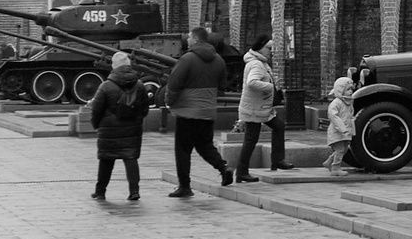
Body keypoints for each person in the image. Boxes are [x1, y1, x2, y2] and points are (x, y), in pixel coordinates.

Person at [162, 29, 232, 197]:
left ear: (195, 39)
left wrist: (169, 101)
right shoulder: (219, 60)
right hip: (208, 111)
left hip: (187, 112)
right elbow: (222, 88)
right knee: (205, 145)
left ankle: (185, 186)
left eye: (189, 36)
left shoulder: (187, 59)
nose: (187, 39)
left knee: (183, 150)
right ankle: (224, 168)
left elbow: (174, 83)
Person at [88, 51, 156, 202]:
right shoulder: (139, 86)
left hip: (108, 130)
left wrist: (96, 125)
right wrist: (137, 120)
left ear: (114, 66)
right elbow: (145, 108)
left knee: (106, 160)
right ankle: (134, 191)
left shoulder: (106, 86)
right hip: (132, 129)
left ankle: (100, 192)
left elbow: (96, 109)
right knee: (131, 158)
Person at [232, 35, 280, 182]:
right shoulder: (257, 64)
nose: (271, 51)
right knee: (251, 139)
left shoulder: (259, 62)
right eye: (269, 48)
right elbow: (252, 82)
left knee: (278, 127)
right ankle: (242, 171)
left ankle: (277, 160)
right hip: (254, 109)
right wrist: (270, 87)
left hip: (259, 107)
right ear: (260, 47)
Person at [322, 72, 356, 172]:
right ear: (341, 90)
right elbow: (334, 117)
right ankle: (336, 168)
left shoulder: (349, 103)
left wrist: (351, 130)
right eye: (348, 89)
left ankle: (329, 161)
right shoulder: (336, 103)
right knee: (340, 149)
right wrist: (342, 129)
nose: (350, 92)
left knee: (344, 149)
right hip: (337, 132)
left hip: (345, 132)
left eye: (351, 89)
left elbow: (351, 117)